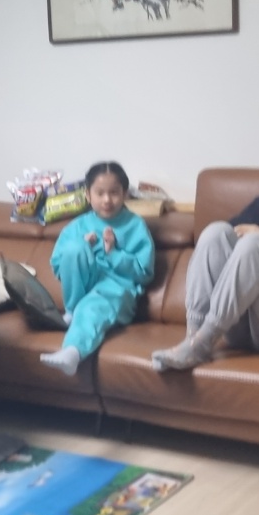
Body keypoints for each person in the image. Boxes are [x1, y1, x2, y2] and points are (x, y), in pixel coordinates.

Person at [151, 126, 259, 370]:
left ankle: (201, 342)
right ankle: (195, 338)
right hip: (234, 326)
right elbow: (221, 250)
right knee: (216, 232)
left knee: (255, 243)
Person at [40, 161, 155, 376]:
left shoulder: (135, 225)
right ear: (87, 195)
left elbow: (145, 273)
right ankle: (73, 310)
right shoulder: (77, 225)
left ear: (125, 194)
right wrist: (84, 246)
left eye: (114, 193)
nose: (107, 200)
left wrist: (113, 253)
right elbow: (58, 266)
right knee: (74, 248)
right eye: (100, 193)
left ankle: (72, 353)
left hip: (117, 290)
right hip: (82, 290)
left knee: (92, 306)